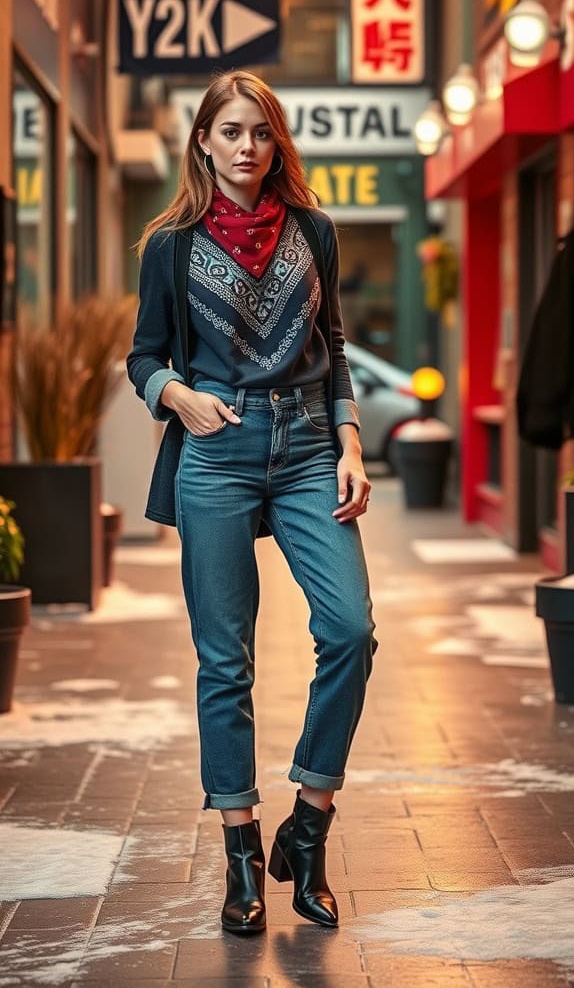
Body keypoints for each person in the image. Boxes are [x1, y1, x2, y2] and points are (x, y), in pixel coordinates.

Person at [127, 71, 377, 936]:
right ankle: (241, 852)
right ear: (204, 141)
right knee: (224, 660)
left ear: (277, 145)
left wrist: (350, 442)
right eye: (231, 131)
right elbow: (143, 356)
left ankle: (308, 826)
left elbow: (334, 345)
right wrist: (176, 395)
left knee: (349, 630)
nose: (246, 147)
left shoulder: (315, 230)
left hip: (309, 446)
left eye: (261, 133)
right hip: (217, 452)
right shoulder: (172, 243)